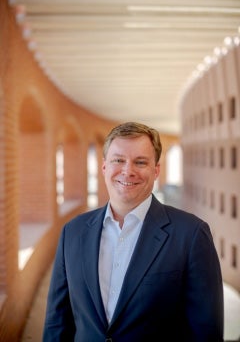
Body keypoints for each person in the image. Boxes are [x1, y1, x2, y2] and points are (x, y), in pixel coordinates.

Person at [43, 121, 224, 341]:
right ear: (104, 167)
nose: (128, 171)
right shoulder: (72, 232)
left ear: (156, 170)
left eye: (140, 162)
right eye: (118, 160)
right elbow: (57, 322)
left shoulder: (192, 235)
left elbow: (206, 332)